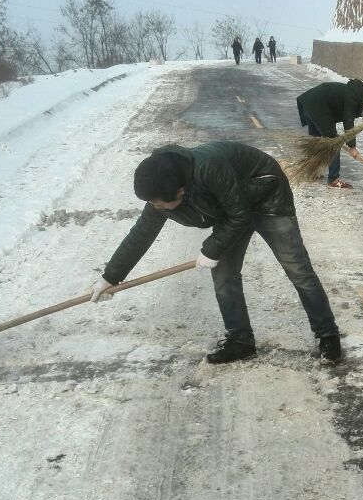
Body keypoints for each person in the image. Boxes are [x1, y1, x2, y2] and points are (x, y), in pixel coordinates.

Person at [90, 141, 342, 364]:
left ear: (180, 191)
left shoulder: (208, 168)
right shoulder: (163, 182)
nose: (155, 207)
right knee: (224, 275)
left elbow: (240, 217)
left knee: (297, 269)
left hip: (266, 193)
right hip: (231, 207)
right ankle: (241, 342)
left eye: (158, 203)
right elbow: (141, 234)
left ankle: (328, 335)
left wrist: (211, 249)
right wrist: (111, 277)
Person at [296, 79, 363, 188]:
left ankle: (312, 172)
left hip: (309, 103)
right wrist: (352, 146)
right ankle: (334, 179)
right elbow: (348, 122)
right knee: (334, 143)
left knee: (317, 141)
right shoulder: (353, 96)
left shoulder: (352, 91)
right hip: (318, 107)